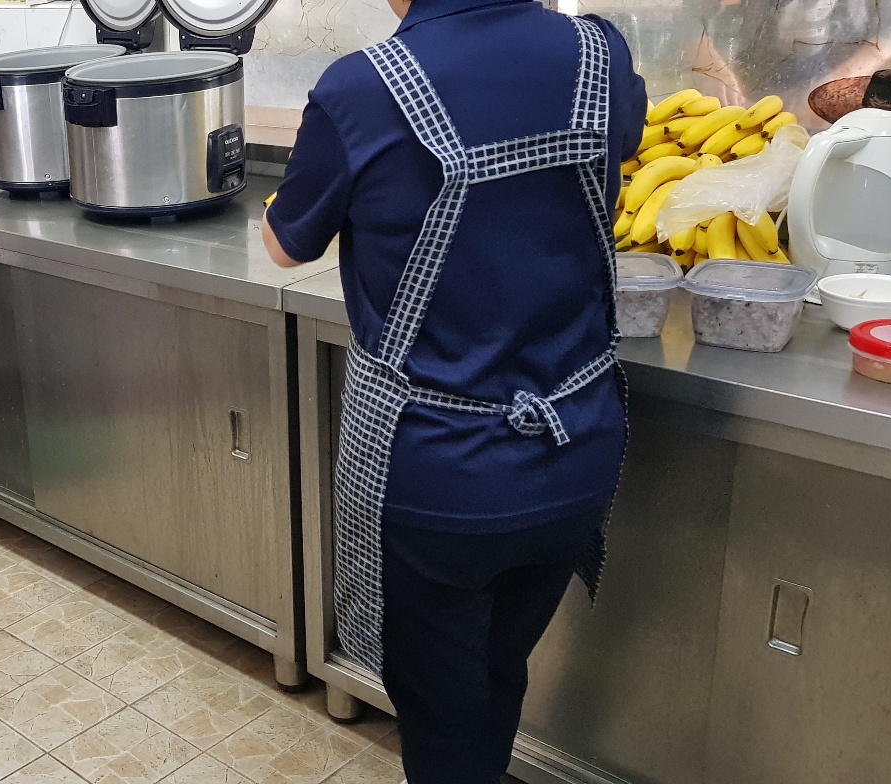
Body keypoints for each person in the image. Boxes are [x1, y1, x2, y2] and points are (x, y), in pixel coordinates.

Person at [261, 2, 645, 783]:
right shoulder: (598, 53)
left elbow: (282, 244)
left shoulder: (360, 89)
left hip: (436, 478)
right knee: (499, 668)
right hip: (573, 452)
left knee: (440, 713)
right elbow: (621, 143)